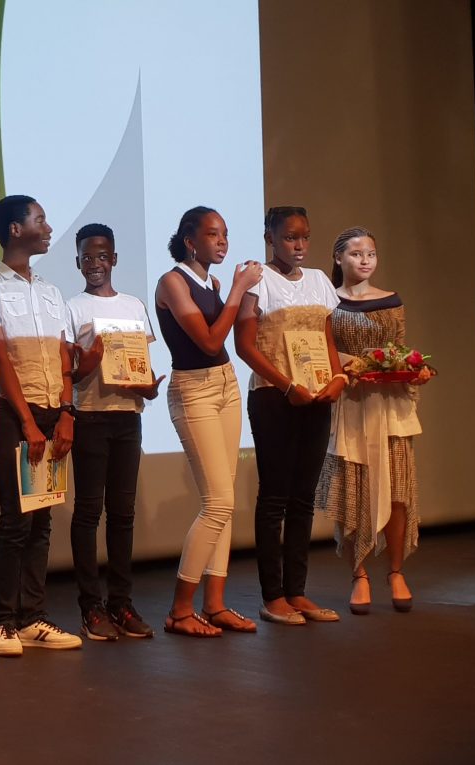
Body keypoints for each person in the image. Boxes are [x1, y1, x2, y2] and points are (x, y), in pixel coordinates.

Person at [234, 205, 347, 625]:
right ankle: (273, 597)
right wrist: (286, 386)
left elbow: (326, 337)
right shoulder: (258, 281)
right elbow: (245, 345)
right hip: (274, 398)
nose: (299, 245)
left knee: (304, 498)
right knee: (275, 497)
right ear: (270, 238)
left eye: (304, 237)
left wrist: (337, 378)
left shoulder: (319, 280)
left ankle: (297, 591)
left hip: (316, 397)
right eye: (289, 237)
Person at [155, 207, 263, 637]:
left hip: (225, 384)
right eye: (213, 235)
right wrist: (239, 288)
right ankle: (180, 610)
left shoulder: (212, 284)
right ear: (189, 241)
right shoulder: (172, 282)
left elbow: (225, 340)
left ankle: (214, 604)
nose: (222, 242)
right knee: (217, 502)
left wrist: (237, 292)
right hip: (193, 390)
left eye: (225, 235)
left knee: (226, 499)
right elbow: (209, 340)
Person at [0, 194, 82, 655]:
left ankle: (32, 618)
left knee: (42, 518)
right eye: (40, 219)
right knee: (16, 517)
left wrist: (66, 413)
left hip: (52, 411)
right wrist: (26, 422)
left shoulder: (50, 290)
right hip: (11, 411)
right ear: (15, 229)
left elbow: (63, 356)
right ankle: (1, 622)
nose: (48, 227)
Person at [316, 227, 427, 614]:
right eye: (356, 254)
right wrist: (352, 366)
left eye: (371, 254)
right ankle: (359, 574)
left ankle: (395, 571)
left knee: (397, 491)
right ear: (338, 258)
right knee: (353, 492)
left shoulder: (391, 300)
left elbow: (400, 348)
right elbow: (323, 351)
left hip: (390, 405)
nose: (365, 260)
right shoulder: (328, 302)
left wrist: (411, 369)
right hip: (350, 405)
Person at [66, 223, 164, 640]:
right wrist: (89, 363)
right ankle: (91, 607)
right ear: (77, 262)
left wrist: (149, 388)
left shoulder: (134, 305)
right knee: (88, 513)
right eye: (87, 257)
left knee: (123, 514)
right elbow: (70, 373)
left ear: (115, 259)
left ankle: (121, 603)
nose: (95, 264)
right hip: (89, 416)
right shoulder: (72, 308)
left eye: (102, 256)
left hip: (128, 417)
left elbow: (141, 368)